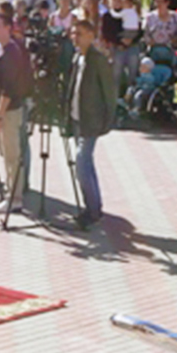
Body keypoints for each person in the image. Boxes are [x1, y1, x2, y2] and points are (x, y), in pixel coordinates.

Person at [66, 16, 117, 228]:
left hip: (92, 119)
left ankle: (92, 210)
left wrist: (107, 120)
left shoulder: (98, 60)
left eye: (79, 34)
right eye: (73, 33)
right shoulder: (78, 58)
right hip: (78, 117)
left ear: (90, 35)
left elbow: (109, 92)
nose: (75, 38)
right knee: (87, 163)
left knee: (81, 164)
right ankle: (95, 206)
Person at [0, 4, 33, 214]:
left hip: (11, 111)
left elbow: (9, 88)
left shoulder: (11, 51)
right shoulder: (1, 50)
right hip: (2, 109)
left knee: (13, 155)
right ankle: (8, 190)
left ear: (7, 27)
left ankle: (15, 197)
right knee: (6, 153)